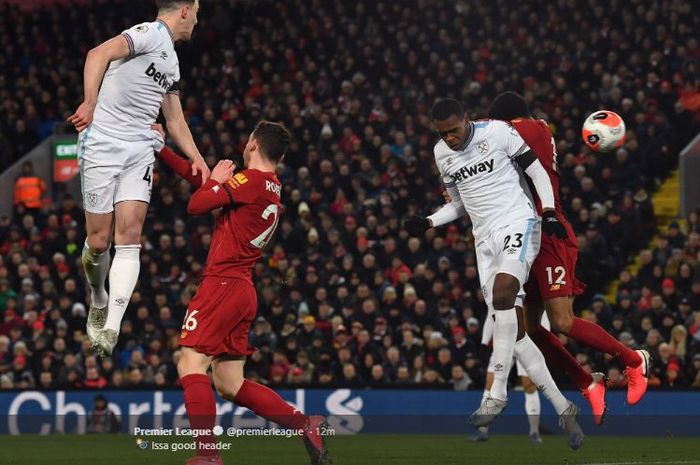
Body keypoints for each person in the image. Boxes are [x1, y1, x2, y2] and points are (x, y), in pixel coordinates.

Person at [403, 98, 583, 449]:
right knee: (513, 332)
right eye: (443, 133)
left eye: (454, 130)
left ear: (466, 120)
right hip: (484, 240)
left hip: (519, 221)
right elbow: (456, 205)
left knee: (503, 295)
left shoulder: (498, 132)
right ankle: (564, 408)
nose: (450, 139)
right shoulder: (442, 153)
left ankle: (496, 395)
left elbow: (535, 170)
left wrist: (547, 212)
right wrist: (428, 222)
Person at [158, 121, 329, 465]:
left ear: (252, 144)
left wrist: (218, 180)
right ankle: (304, 423)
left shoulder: (249, 182)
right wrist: (160, 150)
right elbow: (203, 184)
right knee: (229, 383)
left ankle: (207, 455)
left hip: (222, 284)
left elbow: (197, 204)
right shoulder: (269, 186)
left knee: (190, 362)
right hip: (242, 289)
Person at [487, 91, 650, 418]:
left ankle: (634, 360)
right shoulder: (521, 137)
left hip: (548, 233)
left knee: (562, 320)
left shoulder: (531, 129)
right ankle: (588, 381)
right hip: (520, 238)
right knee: (527, 329)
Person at [67, 0, 210, 357]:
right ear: (184, 11)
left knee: (129, 236)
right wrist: (89, 102)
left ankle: (111, 325)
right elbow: (96, 54)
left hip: (140, 150)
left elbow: (175, 121)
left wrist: (198, 159)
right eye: (197, 12)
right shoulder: (149, 34)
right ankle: (98, 298)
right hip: (103, 142)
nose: (197, 20)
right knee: (99, 242)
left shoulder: (172, 62)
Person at [472, 313, 552, 444]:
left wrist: (542, 342)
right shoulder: (498, 293)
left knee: (529, 386)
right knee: (490, 384)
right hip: (503, 341)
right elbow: (491, 314)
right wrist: (484, 342)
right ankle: (482, 430)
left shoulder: (533, 294)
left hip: (527, 342)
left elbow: (541, 315)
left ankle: (534, 432)